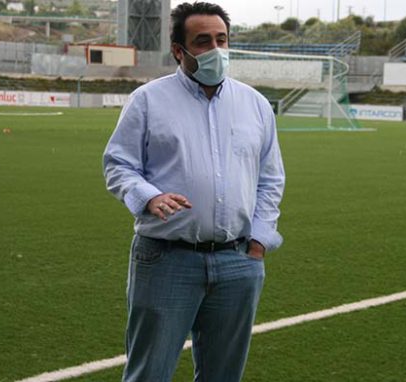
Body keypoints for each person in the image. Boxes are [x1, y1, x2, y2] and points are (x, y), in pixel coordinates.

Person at [102, 2, 285, 381]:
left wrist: (259, 241)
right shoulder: (148, 101)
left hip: (238, 262)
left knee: (223, 375)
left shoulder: (255, 105)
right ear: (178, 50)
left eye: (222, 39)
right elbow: (118, 165)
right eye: (203, 41)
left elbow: (270, 178)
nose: (216, 50)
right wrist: (148, 196)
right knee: (149, 372)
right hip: (167, 259)